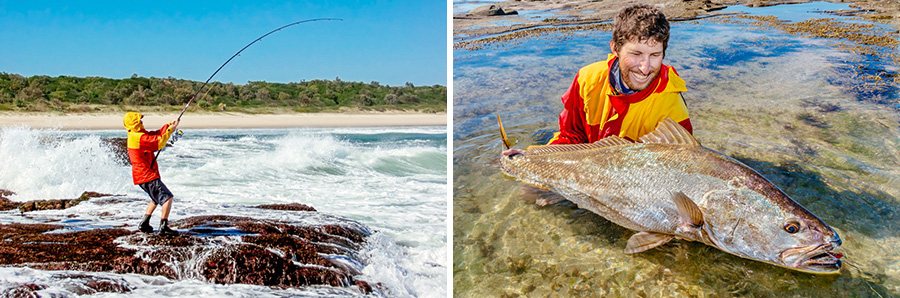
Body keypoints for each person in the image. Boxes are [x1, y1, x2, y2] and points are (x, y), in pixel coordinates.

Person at [504, 4, 691, 155]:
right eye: (636, 53)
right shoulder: (587, 79)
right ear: (615, 48)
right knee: (530, 193)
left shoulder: (672, 105)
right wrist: (532, 157)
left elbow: (680, 161)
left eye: (655, 55)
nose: (645, 68)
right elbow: (571, 136)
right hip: (586, 165)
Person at [123, 112, 180, 236]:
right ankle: (163, 227)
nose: (142, 122)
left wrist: (169, 125)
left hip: (143, 175)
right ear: (134, 124)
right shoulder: (138, 138)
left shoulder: (136, 134)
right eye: (139, 120)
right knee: (167, 198)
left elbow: (154, 134)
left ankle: (144, 223)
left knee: (154, 198)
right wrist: (170, 130)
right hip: (146, 175)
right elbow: (158, 143)